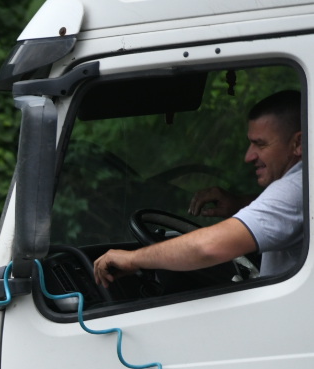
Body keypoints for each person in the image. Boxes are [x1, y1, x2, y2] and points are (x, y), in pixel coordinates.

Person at [94, 90, 305, 288]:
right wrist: (240, 204)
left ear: (299, 143)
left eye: (261, 144)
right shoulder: (302, 186)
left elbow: (207, 248)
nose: (248, 156)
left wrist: (133, 259)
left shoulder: (295, 187)